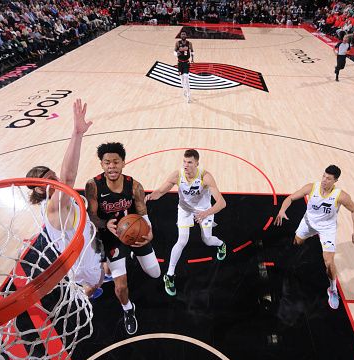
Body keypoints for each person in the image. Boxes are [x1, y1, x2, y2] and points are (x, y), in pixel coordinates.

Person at [26, 99, 104, 300]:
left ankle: (88, 287)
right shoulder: (55, 205)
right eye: (51, 180)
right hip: (84, 263)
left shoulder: (54, 202)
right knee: (99, 279)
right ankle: (86, 295)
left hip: (79, 254)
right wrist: (77, 134)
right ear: (39, 190)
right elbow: (68, 177)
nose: (58, 181)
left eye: (55, 176)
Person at [85, 142, 160, 335]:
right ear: (101, 164)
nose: (111, 166)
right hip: (112, 237)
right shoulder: (93, 185)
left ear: (123, 163)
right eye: (107, 162)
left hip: (134, 231)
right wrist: (104, 224)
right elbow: (92, 216)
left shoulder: (134, 185)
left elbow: (143, 213)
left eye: (116, 162)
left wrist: (149, 231)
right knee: (120, 287)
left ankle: (130, 256)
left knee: (155, 273)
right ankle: (128, 309)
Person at [274, 165, 354, 309]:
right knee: (297, 242)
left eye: (329, 178)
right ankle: (299, 259)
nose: (324, 180)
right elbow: (290, 198)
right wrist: (282, 210)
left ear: (335, 181)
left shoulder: (341, 196)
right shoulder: (311, 187)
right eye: (324, 176)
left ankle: (332, 289)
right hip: (308, 223)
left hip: (327, 228)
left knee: (329, 262)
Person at [145, 149, 227, 296]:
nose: (186, 165)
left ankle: (221, 244)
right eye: (184, 162)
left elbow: (222, 203)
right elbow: (161, 191)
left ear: (197, 164)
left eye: (189, 162)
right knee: (182, 240)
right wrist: (150, 197)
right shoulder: (177, 175)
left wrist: (205, 213)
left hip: (204, 210)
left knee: (207, 240)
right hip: (185, 209)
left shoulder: (206, 177)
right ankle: (169, 275)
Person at [175, 31, 194, 103]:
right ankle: (185, 90)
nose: (183, 35)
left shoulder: (189, 43)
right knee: (182, 81)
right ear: (180, 35)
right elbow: (174, 51)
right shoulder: (177, 43)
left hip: (186, 63)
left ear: (186, 35)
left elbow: (192, 51)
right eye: (182, 34)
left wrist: (192, 59)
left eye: (184, 34)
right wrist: (176, 53)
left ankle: (189, 95)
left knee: (186, 78)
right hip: (180, 63)